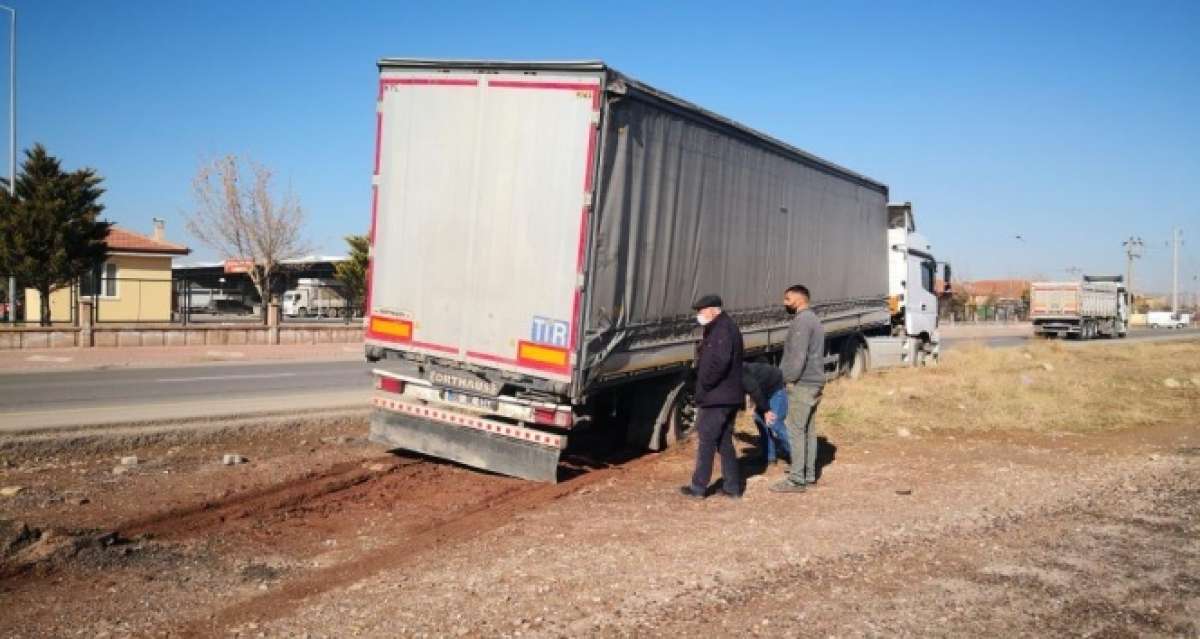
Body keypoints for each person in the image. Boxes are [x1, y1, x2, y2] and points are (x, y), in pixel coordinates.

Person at [680, 294, 744, 500]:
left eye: (701, 310)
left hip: (718, 397)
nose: (699, 315)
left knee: (706, 441)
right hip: (726, 396)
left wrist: (705, 383)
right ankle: (732, 487)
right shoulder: (721, 327)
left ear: (713, 310)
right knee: (724, 442)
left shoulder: (722, 329)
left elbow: (721, 361)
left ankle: (698, 487)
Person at [772, 284, 825, 493]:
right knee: (808, 430)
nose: (784, 303)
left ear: (799, 298)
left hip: (803, 383)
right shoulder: (814, 319)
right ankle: (808, 474)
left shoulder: (802, 321)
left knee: (795, 430)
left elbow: (797, 356)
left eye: (787, 298)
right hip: (814, 382)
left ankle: (796, 480)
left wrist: (787, 379)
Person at [743, 361, 790, 465]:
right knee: (759, 421)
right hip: (761, 391)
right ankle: (769, 456)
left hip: (775, 388)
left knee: (774, 423)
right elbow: (751, 390)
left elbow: (754, 390)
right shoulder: (731, 375)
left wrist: (766, 410)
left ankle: (797, 456)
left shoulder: (739, 371)